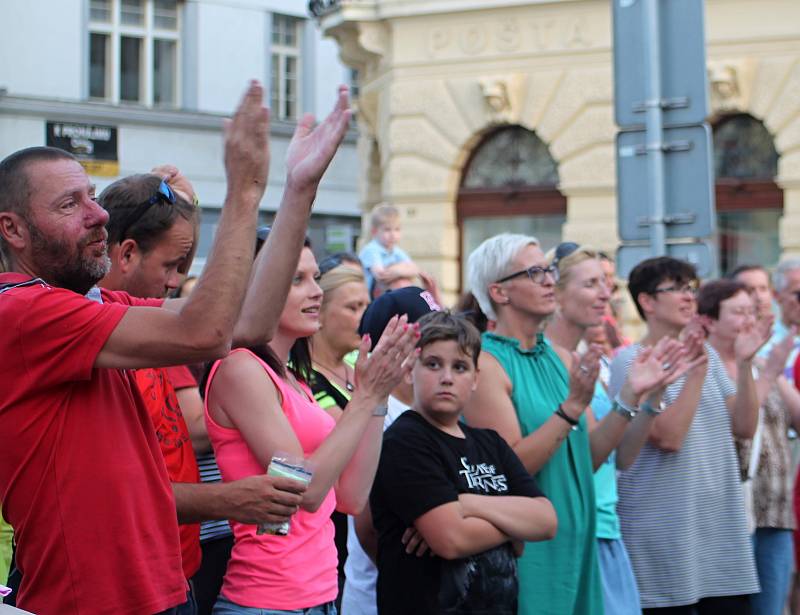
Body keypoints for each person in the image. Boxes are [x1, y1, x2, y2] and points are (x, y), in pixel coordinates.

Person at [0, 82, 309, 615]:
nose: (97, 215)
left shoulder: (91, 306)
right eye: (71, 204)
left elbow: (250, 322)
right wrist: (242, 193)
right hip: (92, 602)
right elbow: (206, 333)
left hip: (159, 587)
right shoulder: (20, 311)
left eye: (93, 198)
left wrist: (298, 189)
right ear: (13, 229)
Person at [204, 233, 419, 614]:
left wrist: (378, 395)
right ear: (255, 288)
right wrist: (366, 396)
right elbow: (305, 491)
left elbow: (351, 497)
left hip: (320, 596)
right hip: (266, 600)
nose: (316, 291)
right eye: (296, 279)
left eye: (315, 277)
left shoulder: (294, 379)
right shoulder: (239, 368)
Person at [370, 310, 558, 614]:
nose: (447, 377)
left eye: (460, 367)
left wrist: (467, 504)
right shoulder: (406, 440)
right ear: (409, 370)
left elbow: (546, 521)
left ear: (475, 379)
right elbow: (450, 539)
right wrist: (514, 528)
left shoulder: (491, 444)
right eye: (433, 364)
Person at [609, 258, 769, 614]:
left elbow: (744, 428)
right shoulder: (633, 361)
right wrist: (694, 373)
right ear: (647, 302)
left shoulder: (706, 354)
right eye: (676, 288)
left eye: (691, 288)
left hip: (718, 533)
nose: (688, 297)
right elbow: (669, 438)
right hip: (665, 539)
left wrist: (745, 365)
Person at [544, 244, 693, 615]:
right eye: (592, 284)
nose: (605, 294)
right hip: (571, 533)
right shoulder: (547, 360)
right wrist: (629, 396)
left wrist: (651, 396)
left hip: (607, 530)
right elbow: (585, 459)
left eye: (607, 284)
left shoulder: (590, 363)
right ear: (557, 294)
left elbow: (622, 456)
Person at [341, 286, 442, 615]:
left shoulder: (441, 409)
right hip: (379, 600)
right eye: (429, 339)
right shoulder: (374, 419)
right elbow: (370, 529)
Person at [702, 278, 799, 615]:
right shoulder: (706, 366)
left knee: (772, 608)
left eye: (751, 312)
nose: (748, 320)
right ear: (709, 321)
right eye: (738, 312)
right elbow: (738, 426)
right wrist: (767, 372)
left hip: (775, 509)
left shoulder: (761, 364)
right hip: (730, 513)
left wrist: (773, 368)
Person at [358, 203, 419, 298]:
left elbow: (415, 270)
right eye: (387, 230)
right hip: (368, 300)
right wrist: (402, 268)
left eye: (397, 229)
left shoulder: (396, 251)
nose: (393, 235)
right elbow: (381, 275)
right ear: (374, 231)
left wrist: (397, 271)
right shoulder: (371, 250)